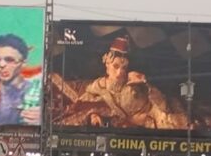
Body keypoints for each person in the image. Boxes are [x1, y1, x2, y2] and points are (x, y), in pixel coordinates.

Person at [50, 36, 190, 129]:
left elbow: (164, 106)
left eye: (124, 68)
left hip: (153, 122)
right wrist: (94, 116)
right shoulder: (98, 86)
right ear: (107, 65)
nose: (120, 72)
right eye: (115, 67)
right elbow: (86, 106)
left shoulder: (136, 82)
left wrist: (145, 83)